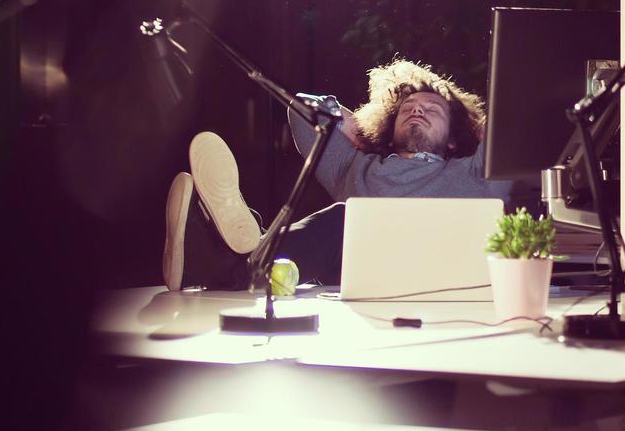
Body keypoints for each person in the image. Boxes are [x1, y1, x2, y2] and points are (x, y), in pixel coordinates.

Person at [164, 58, 513, 291]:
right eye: (407, 109)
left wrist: (488, 130)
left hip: (437, 274)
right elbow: (303, 110)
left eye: (432, 109)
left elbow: (514, 123)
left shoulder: (476, 173)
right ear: (390, 128)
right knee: (346, 221)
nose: (418, 109)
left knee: (348, 217)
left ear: (453, 139)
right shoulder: (356, 168)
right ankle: (227, 252)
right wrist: (354, 125)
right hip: (361, 273)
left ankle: (234, 255)